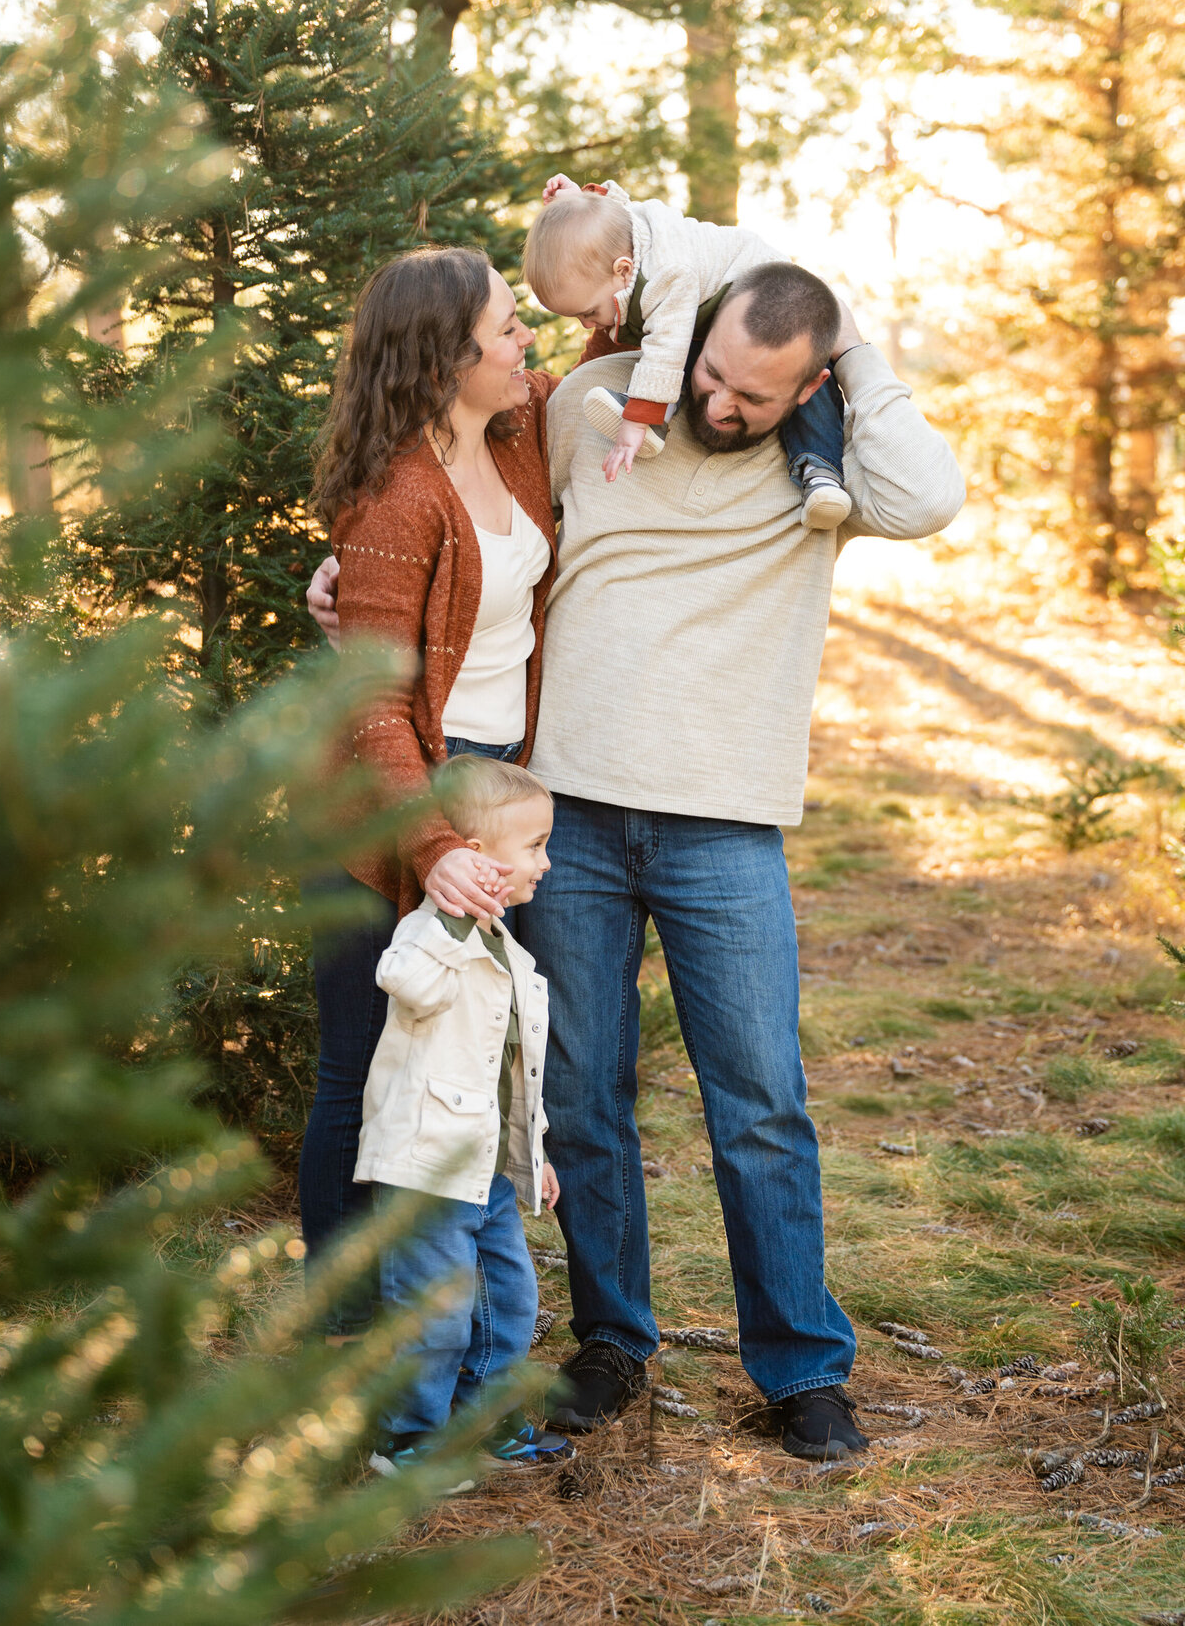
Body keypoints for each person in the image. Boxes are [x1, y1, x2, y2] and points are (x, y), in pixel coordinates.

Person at [308, 261, 966, 1461]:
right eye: (711, 372)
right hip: (568, 816)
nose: (721, 404)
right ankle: (612, 1341)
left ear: (808, 388)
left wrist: (854, 349)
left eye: (757, 393)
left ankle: (803, 1367)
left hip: (726, 822)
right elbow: (438, 503)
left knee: (761, 1101)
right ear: (689, 343)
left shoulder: (824, 471)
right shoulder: (588, 412)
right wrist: (357, 594)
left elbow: (929, 496)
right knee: (581, 1099)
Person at [300, 244, 564, 1340]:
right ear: (446, 359)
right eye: (507, 327)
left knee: (459, 1056)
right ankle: (343, 1324)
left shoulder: (516, 427)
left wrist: (606, 236)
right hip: (386, 812)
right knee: (364, 1063)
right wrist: (434, 848)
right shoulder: (396, 496)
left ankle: (443, 1305)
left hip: (489, 796)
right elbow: (373, 708)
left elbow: (621, 348)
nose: (526, 340)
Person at [358, 756, 574, 1478]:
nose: (546, 861)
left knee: (509, 1301)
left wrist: (534, 1152)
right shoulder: (432, 930)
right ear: (478, 857)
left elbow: (511, 1072)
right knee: (434, 1312)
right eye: (534, 845)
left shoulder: (508, 949)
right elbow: (404, 981)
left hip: (486, 1171)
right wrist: (451, 915)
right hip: (426, 1166)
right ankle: (407, 1438)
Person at [523, 172, 851, 526]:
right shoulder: (623, 241)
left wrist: (636, 420)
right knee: (700, 365)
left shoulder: (665, 278)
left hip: (767, 304)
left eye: (588, 312)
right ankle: (658, 410)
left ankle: (821, 470)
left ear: (623, 270)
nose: (587, 325)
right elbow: (610, 213)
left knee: (792, 380)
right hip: (708, 306)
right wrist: (575, 202)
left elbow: (666, 350)